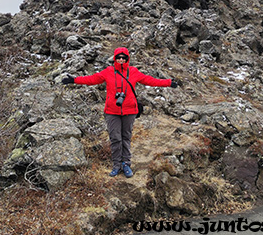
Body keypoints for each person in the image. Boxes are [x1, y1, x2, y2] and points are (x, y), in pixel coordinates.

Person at [62, 47, 179, 178]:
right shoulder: (108, 72)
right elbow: (92, 79)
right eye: (119, 57)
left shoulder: (133, 72)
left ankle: (126, 164)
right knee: (115, 138)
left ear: (127, 59)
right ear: (115, 59)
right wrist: (74, 80)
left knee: (126, 137)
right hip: (112, 111)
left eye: (124, 57)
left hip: (129, 111)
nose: (121, 60)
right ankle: (116, 165)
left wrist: (168, 83)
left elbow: (150, 80)